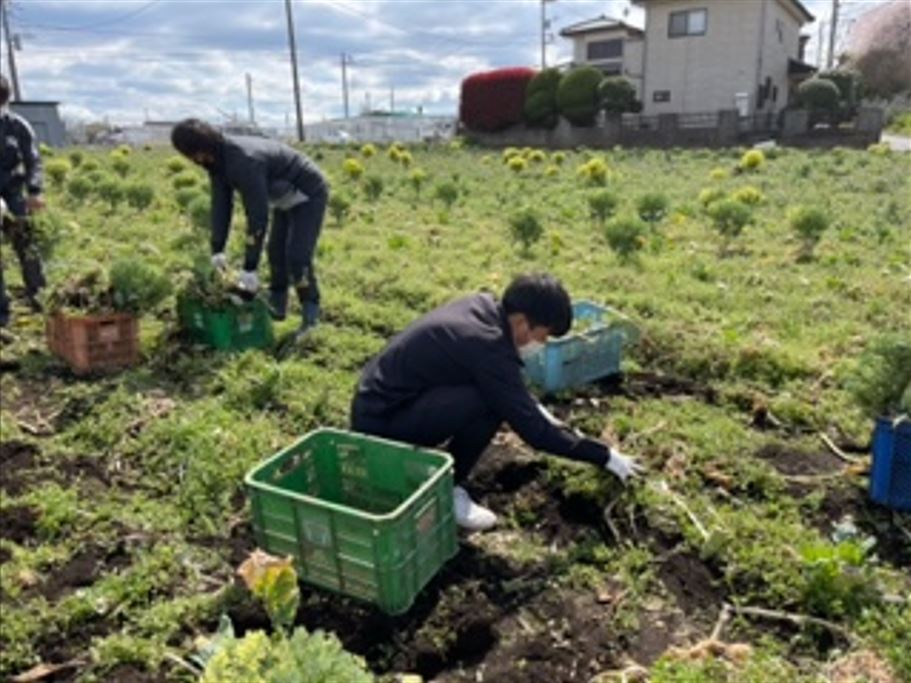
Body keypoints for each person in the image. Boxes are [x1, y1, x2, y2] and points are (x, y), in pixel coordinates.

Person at [351, 273, 645, 532]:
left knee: (494, 394)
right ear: (521, 322)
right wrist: (604, 456)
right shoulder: (488, 346)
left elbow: (505, 383)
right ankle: (448, 489)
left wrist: (532, 407)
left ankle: (445, 478)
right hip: (381, 425)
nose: (540, 345)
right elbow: (535, 434)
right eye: (542, 336)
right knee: (490, 402)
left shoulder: (482, 308)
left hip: (380, 403)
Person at [170, 119, 329, 335]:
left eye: (191, 153)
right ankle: (277, 308)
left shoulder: (243, 160)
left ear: (202, 146)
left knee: (297, 257)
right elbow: (221, 204)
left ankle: (311, 318)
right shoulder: (216, 162)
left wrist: (250, 267)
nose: (192, 160)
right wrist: (217, 248)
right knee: (275, 252)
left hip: (307, 191)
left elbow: (257, 216)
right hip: (282, 196)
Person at [0, 75, 46, 328]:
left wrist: (35, 191)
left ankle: (39, 298)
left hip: (15, 193)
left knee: (28, 245)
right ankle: (1, 314)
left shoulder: (18, 126)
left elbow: (33, 161)